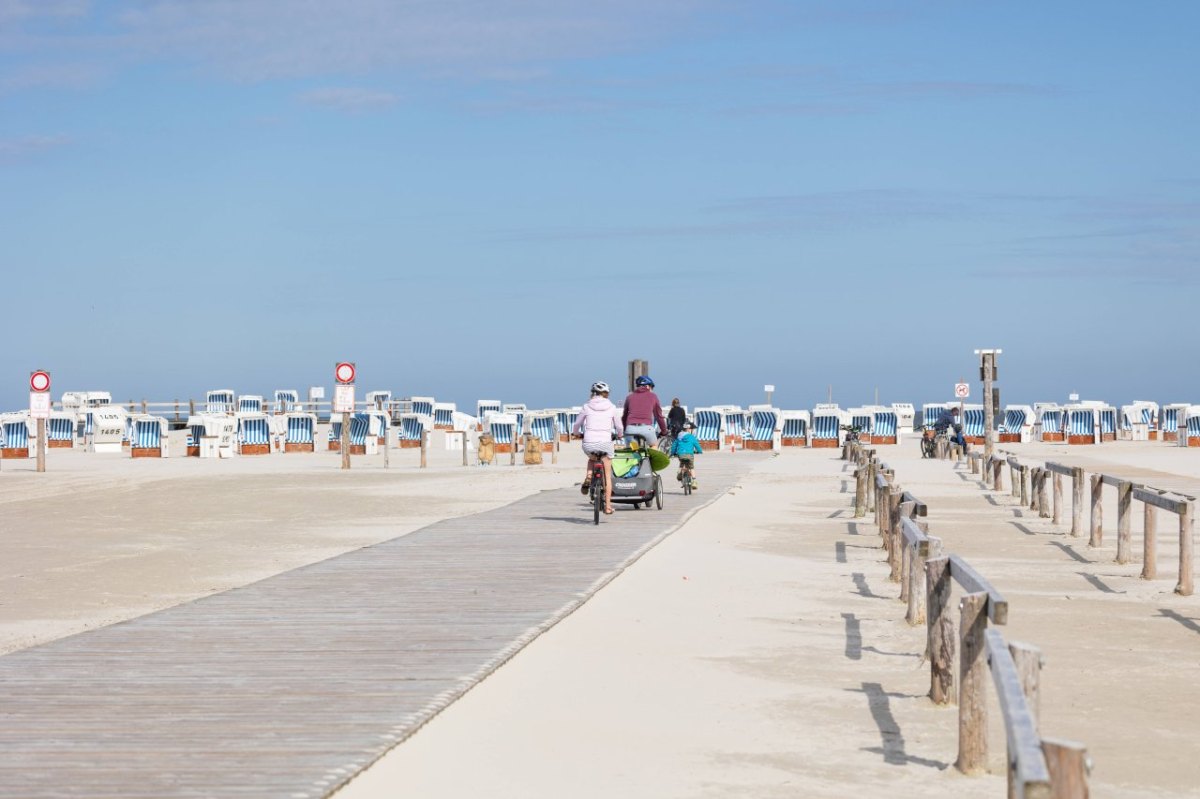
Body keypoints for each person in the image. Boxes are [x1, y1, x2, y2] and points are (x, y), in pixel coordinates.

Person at [571, 381, 624, 514]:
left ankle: (589, 476)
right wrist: (619, 435)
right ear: (606, 394)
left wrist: (577, 434)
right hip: (606, 443)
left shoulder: (586, 406)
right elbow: (619, 427)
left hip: (589, 442)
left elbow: (577, 424)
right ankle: (607, 507)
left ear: (593, 393)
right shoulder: (612, 407)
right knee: (607, 475)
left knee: (592, 458)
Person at [622, 375, 667, 447]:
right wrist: (664, 431)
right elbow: (659, 416)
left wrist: (625, 430)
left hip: (630, 429)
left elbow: (624, 417)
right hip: (646, 429)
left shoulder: (629, 397)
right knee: (654, 446)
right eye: (652, 387)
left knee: (633, 450)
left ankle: (634, 453)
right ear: (648, 386)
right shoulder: (653, 396)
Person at [670, 421, 703, 490]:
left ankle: (679, 474)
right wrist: (700, 451)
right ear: (689, 429)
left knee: (681, 464)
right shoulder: (691, 437)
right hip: (689, 455)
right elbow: (697, 445)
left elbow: (674, 446)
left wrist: (672, 453)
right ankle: (694, 481)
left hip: (680, 454)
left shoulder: (679, 436)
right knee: (691, 467)